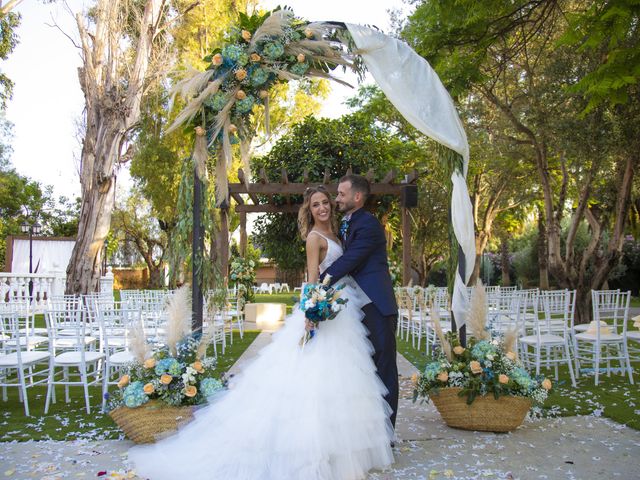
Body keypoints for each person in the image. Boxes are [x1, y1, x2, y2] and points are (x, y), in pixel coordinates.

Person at [128, 184, 394, 480]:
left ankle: (343, 449)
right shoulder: (314, 238)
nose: (322, 208)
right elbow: (312, 277)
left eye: (325, 203)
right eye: (315, 205)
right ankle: (310, 452)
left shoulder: (339, 233)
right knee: (314, 378)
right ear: (309, 210)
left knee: (346, 380)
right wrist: (311, 312)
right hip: (323, 310)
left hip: (344, 314)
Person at [320, 174, 399, 428]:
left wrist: (320, 285)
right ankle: (369, 428)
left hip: (376, 304)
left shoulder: (368, 224)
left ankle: (387, 432)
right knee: (366, 369)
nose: (337, 199)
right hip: (357, 305)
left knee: (383, 368)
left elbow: (350, 259)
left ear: (357, 197)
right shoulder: (347, 222)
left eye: (341, 194)